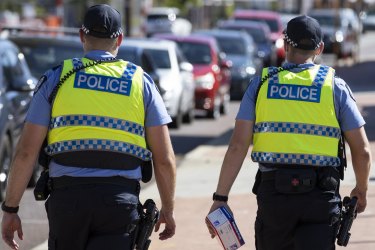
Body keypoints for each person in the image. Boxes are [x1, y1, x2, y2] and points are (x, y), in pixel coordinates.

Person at [1, 4, 176, 250]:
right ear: (120, 40)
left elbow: (26, 152)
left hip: (68, 202)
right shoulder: (141, 82)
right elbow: (165, 158)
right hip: (119, 204)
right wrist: (168, 209)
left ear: (82, 36)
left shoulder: (56, 78)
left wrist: (11, 208)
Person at [206, 15, 372, 250]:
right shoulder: (335, 87)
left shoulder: (261, 84)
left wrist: (221, 198)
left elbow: (237, 146)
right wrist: (361, 190)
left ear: (285, 46)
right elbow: (362, 150)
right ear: (320, 48)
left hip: (274, 198)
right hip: (321, 197)